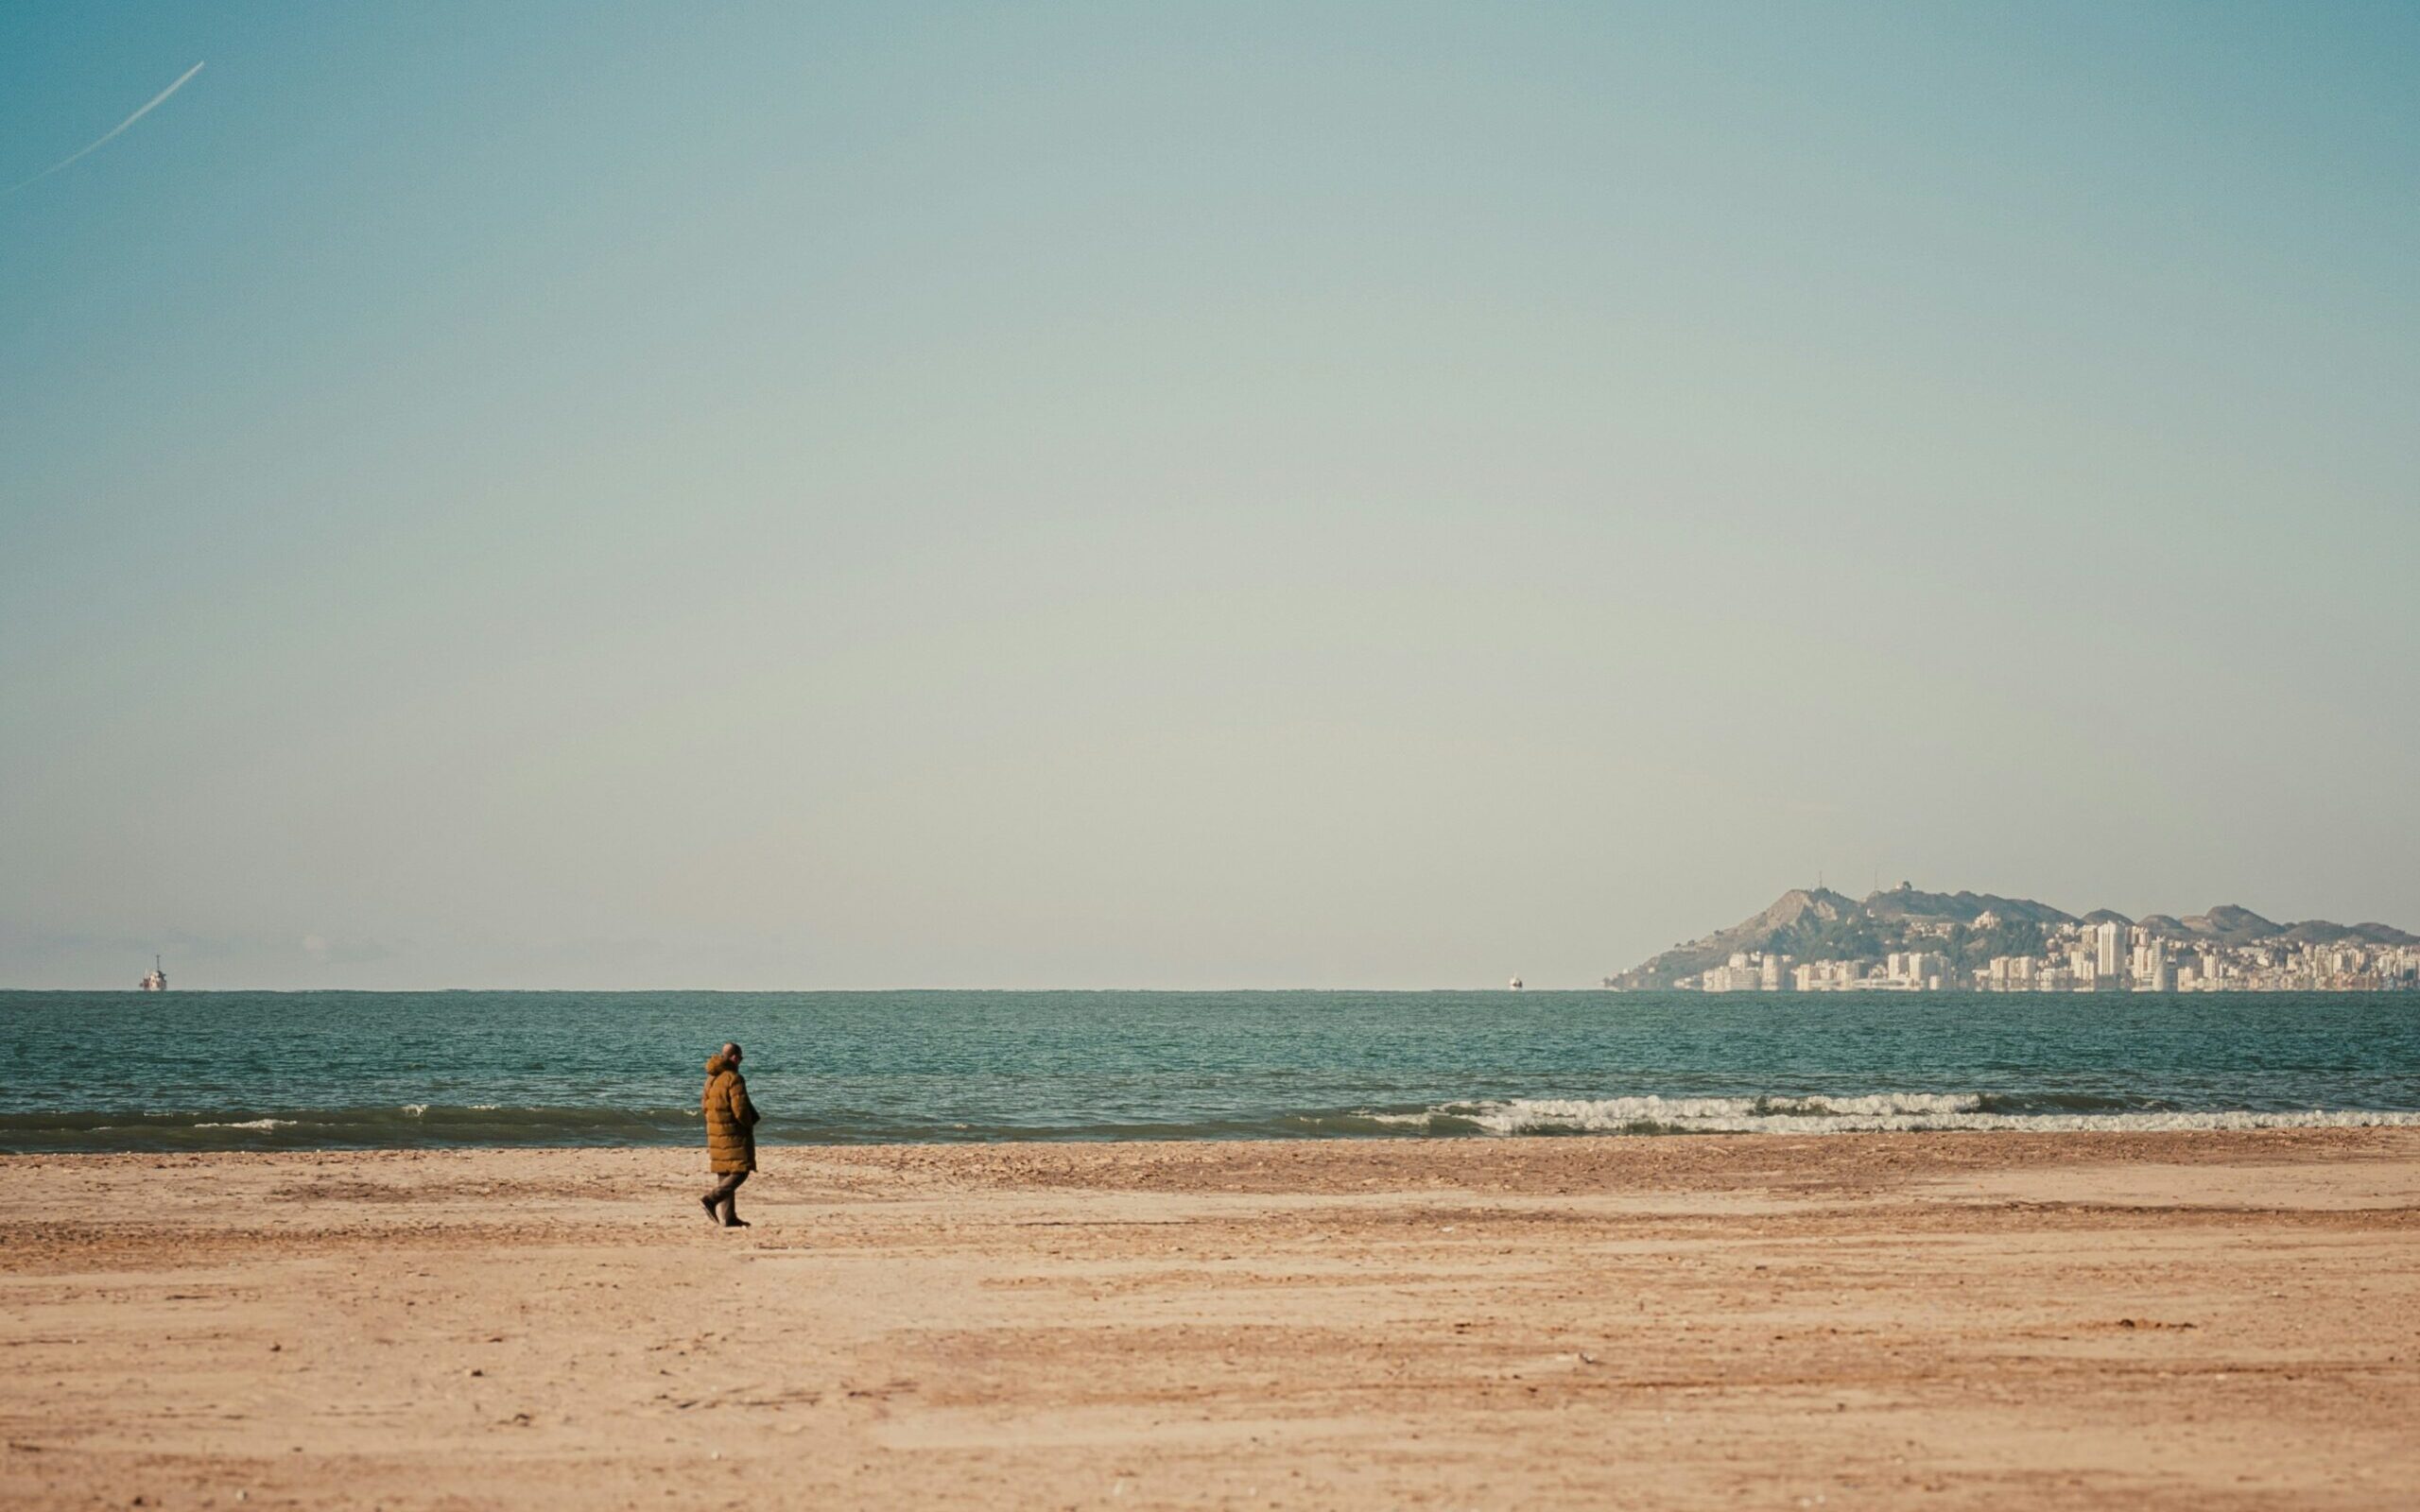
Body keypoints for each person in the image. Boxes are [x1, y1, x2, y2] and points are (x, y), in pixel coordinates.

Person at [700, 1041, 760, 1228]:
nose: (740, 1061)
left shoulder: (711, 1078)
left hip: (715, 1131)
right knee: (741, 1170)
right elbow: (740, 1109)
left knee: (724, 1172)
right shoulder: (734, 1078)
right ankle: (710, 1199)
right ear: (734, 1058)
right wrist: (748, 1124)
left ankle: (730, 1217)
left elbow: (704, 1106)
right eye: (740, 1058)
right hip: (733, 1132)